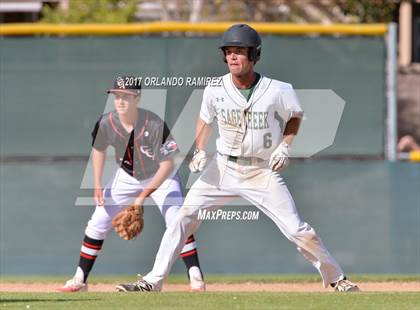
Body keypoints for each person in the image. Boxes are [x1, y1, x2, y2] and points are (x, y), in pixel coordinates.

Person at [116, 24, 359, 293]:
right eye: (229, 51)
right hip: (222, 168)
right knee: (183, 218)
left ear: (254, 55)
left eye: (239, 51)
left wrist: (285, 146)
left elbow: (294, 115)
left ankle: (337, 278)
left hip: (261, 171)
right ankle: (153, 280)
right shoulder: (215, 88)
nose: (232, 57)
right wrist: (199, 150)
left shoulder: (277, 89)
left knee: (296, 229)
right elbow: (205, 119)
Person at [58, 76, 205, 292]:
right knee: (98, 220)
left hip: (161, 175)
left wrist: (141, 196)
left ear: (137, 99)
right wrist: (97, 183)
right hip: (127, 175)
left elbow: (167, 165)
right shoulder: (106, 122)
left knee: (177, 220)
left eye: (126, 96)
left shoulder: (154, 124)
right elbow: (98, 150)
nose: (120, 101)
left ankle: (196, 277)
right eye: (116, 95)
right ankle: (80, 280)